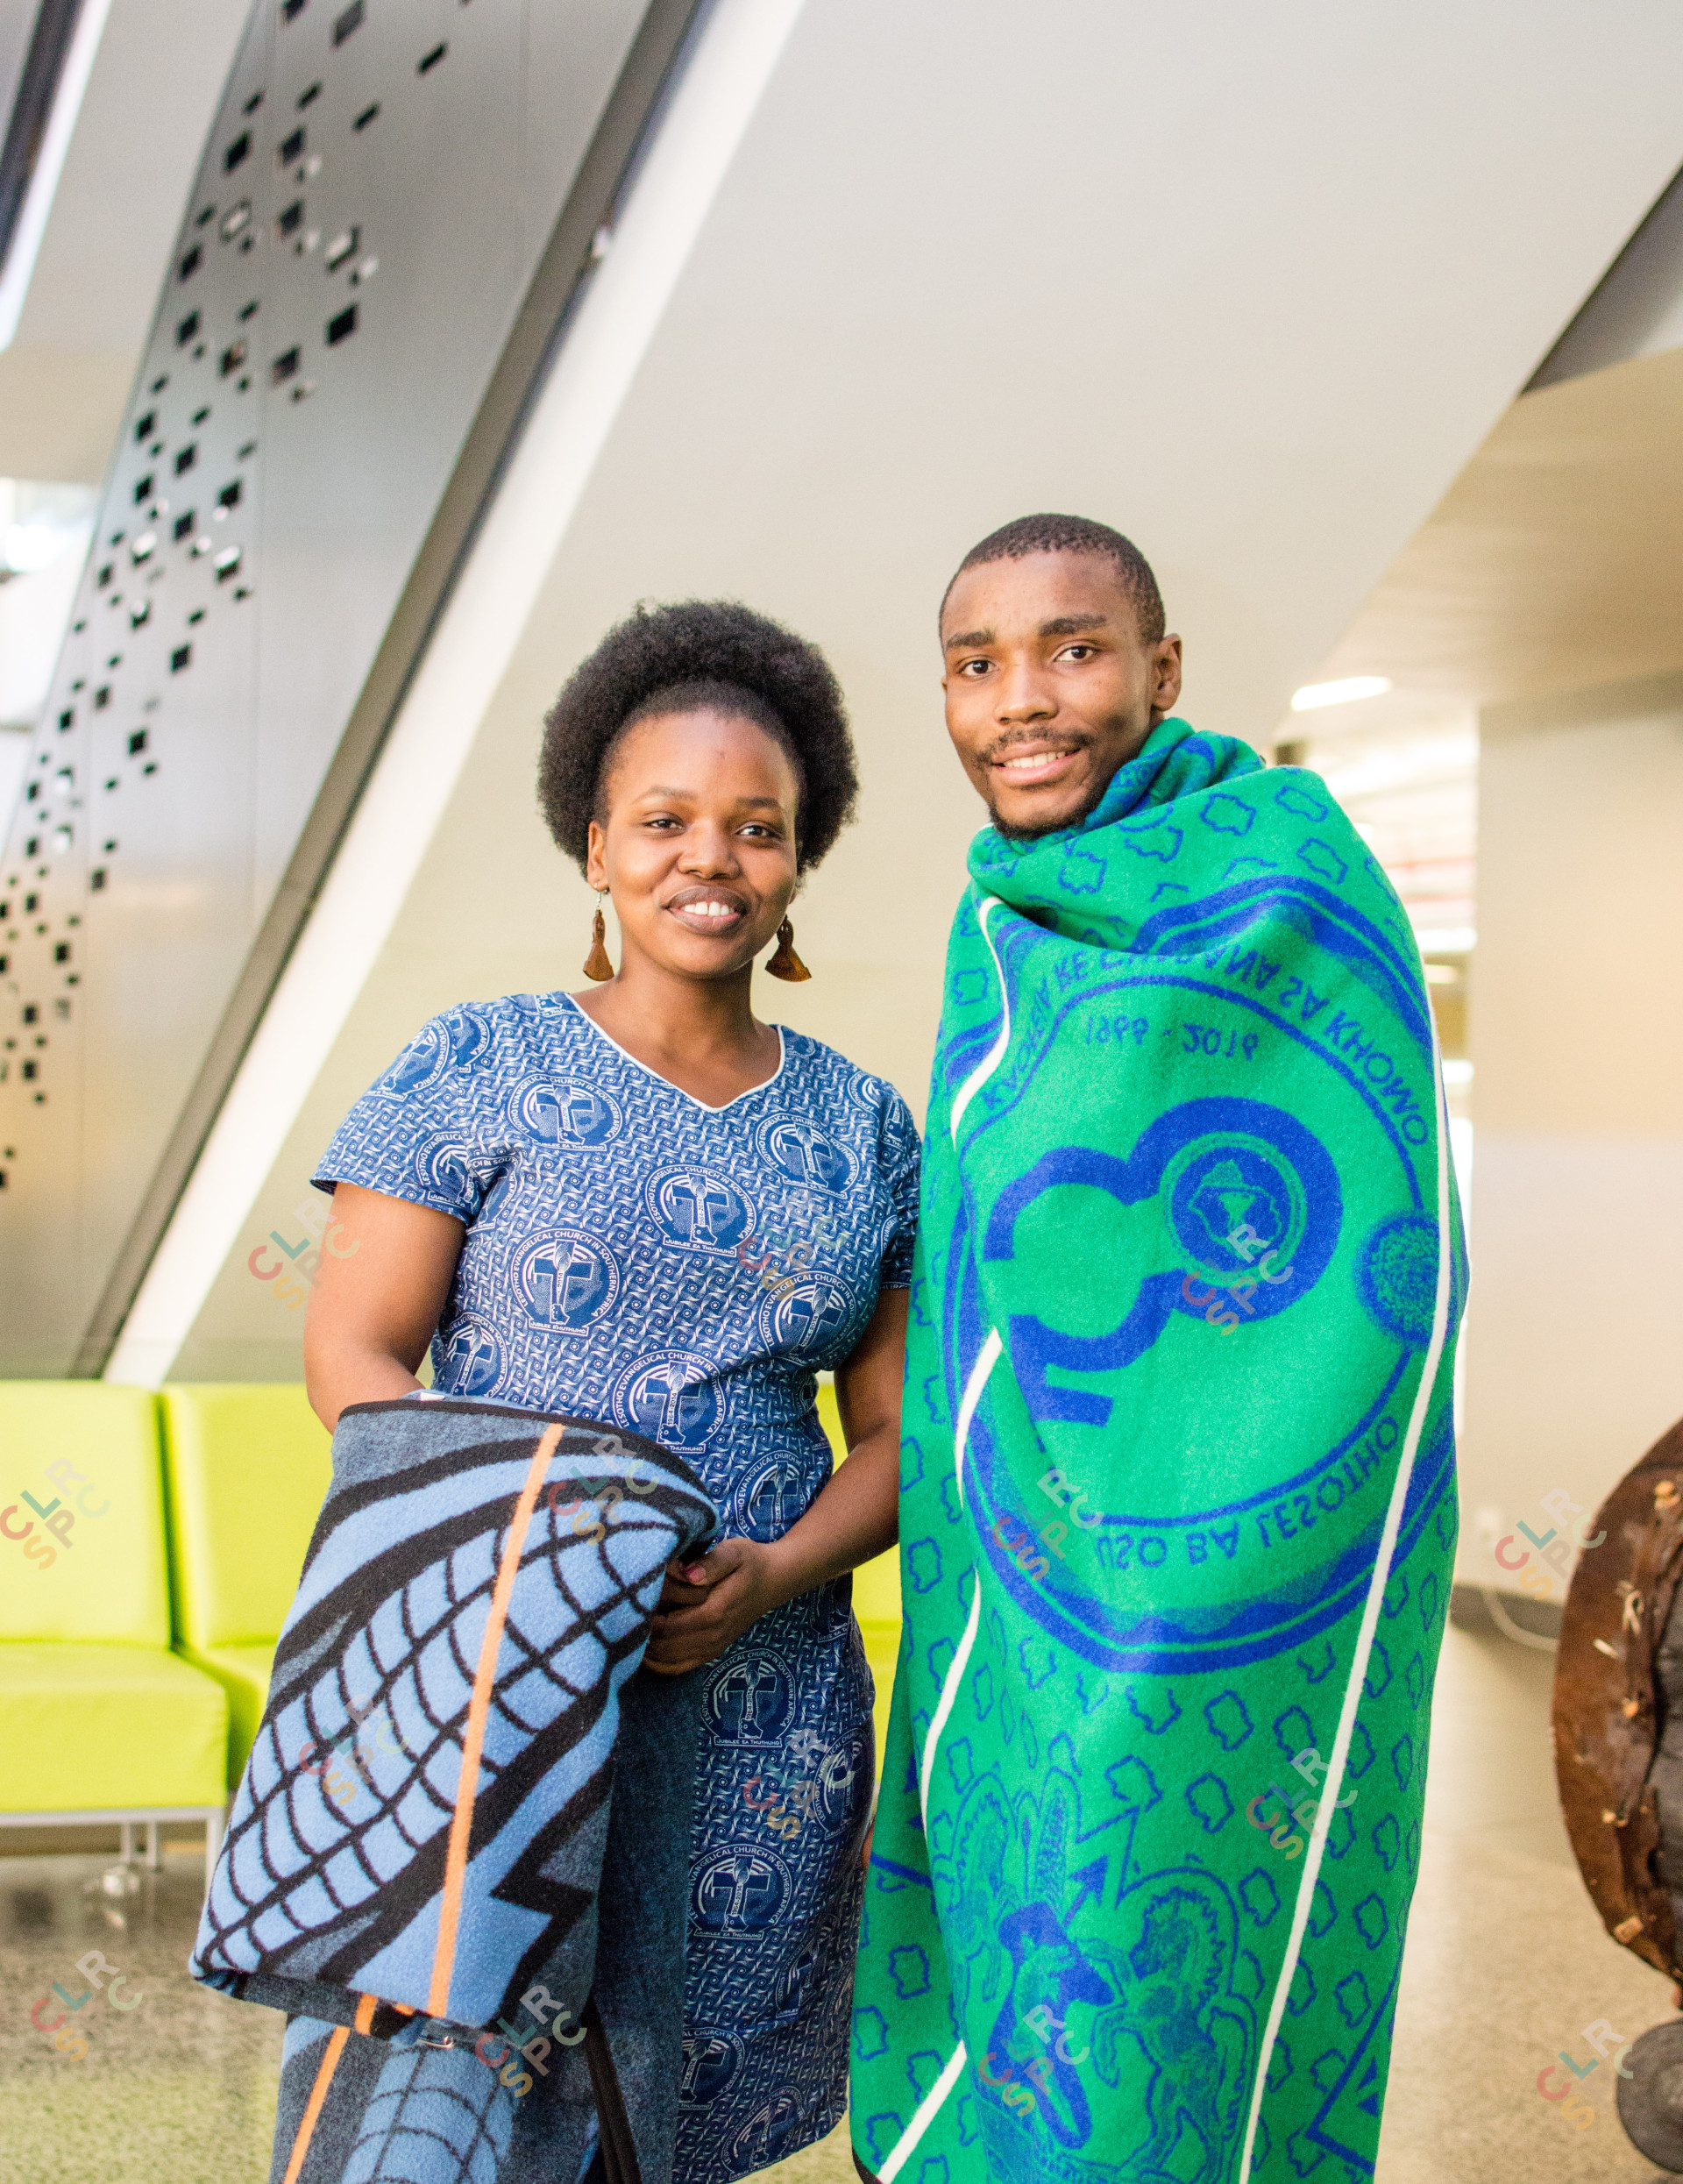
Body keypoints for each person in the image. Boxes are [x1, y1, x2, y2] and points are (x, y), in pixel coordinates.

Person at [850, 516, 1466, 2184]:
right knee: (1024, 1936)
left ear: (1163, 669)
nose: (1019, 702)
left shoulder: (1290, 876)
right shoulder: (1014, 915)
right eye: (975, 666)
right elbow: (1009, 1259)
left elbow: (1381, 1241)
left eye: (1072, 649)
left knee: (1170, 1965)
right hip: (1016, 1573)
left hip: (1235, 1592)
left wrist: (1186, 1540)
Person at [283, 600, 919, 2184]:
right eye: (667, 821)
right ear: (596, 846)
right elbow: (354, 1357)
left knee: (681, 2108)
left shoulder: (867, 1128)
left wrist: (775, 1570)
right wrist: (519, 1554)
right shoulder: (472, 1065)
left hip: (760, 1694)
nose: (711, 858)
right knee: (447, 2077)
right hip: (485, 1678)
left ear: (795, 863)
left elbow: (902, 1435)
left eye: (756, 829)